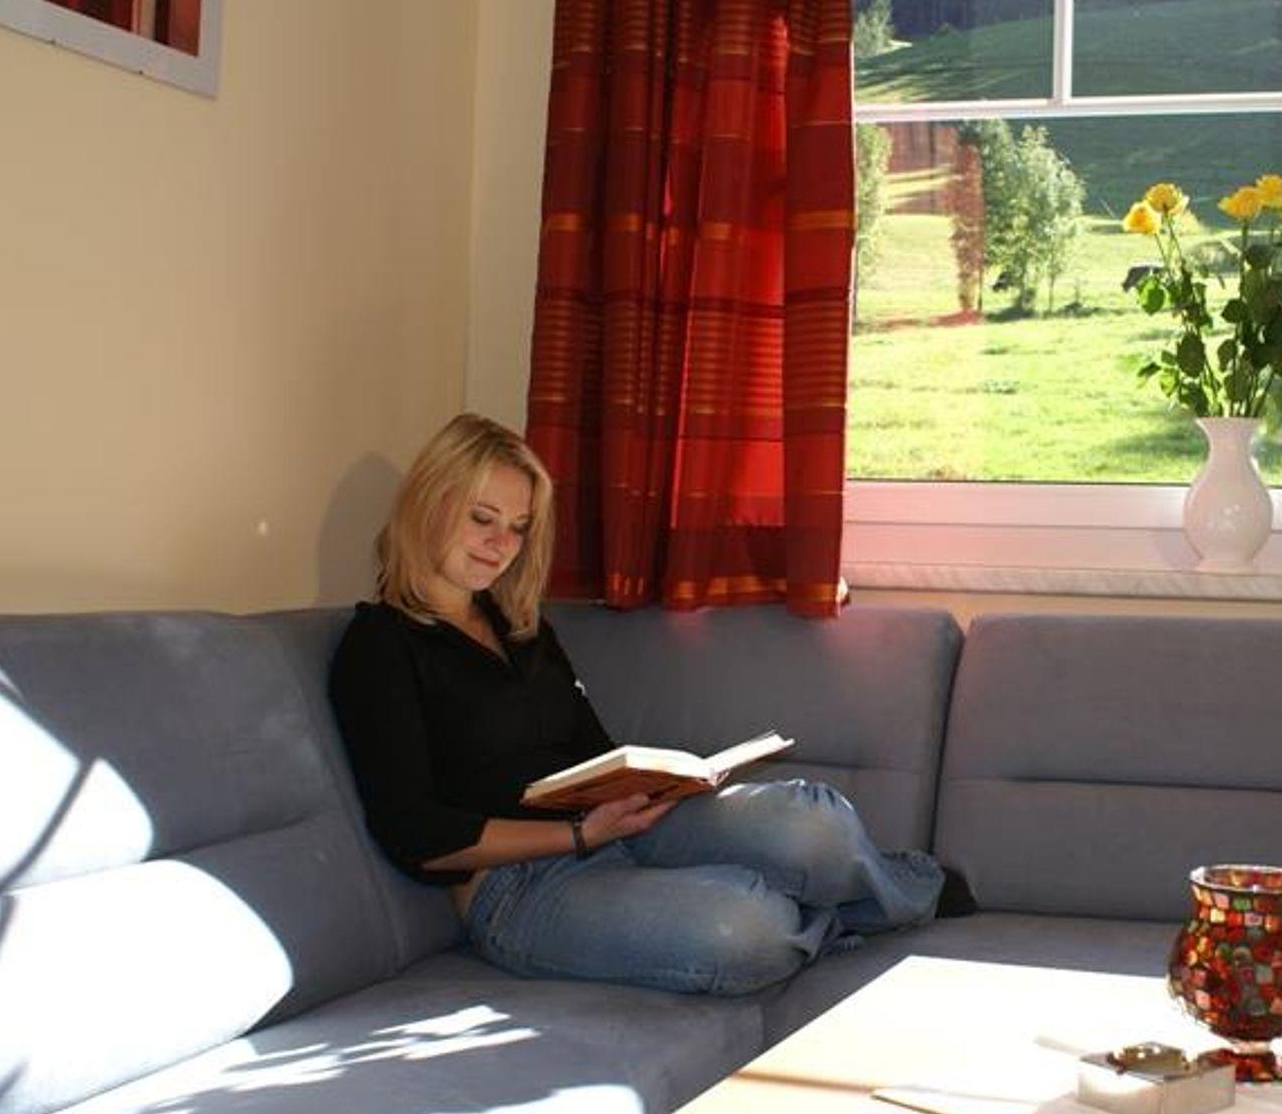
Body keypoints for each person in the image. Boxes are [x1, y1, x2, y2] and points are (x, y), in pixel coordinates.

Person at [329, 413, 944, 995]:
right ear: (429, 503)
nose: (501, 544)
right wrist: (576, 836)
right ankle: (821, 913)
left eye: (518, 527)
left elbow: (591, 749)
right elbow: (416, 833)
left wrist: (664, 784)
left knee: (813, 820)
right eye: (482, 518)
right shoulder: (380, 645)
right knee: (743, 926)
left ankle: (879, 895)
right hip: (518, 889)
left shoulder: (519, 626)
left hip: (609, 825)